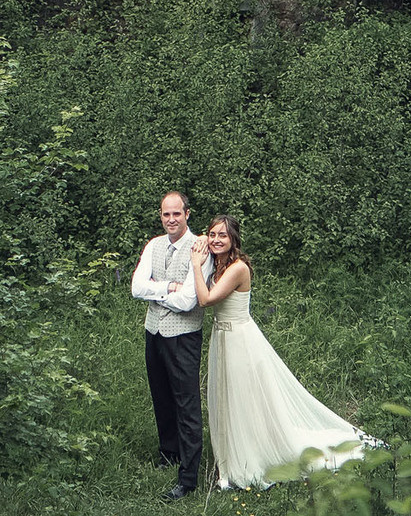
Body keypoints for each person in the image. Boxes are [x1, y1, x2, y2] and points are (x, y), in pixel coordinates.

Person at [188, 214, 372, 490]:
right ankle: (230, 456)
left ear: (234, 239)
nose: (215, 240)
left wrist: (194, 264)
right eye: (212, 234)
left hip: (239, 340)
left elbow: (205, 300)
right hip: (221, 337)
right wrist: (204, 240)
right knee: (225, 398)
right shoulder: (217, 262)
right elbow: (203, 241)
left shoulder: (237, 268)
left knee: (243, 399)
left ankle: (251, 459)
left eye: (222, 235)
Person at [128, 191, 204, 499]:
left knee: (186, 404)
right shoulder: (154, 245)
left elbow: (188, 301)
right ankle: (168, 453)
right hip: (154, 332)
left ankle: (187, 476)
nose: (170, 219)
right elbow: (136, 287)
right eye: (165, 214)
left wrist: (156, 292)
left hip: (184, 337)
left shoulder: (199, 247)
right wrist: (168, 288)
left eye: (176, 214)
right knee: (161, 397)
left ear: (187, 214)